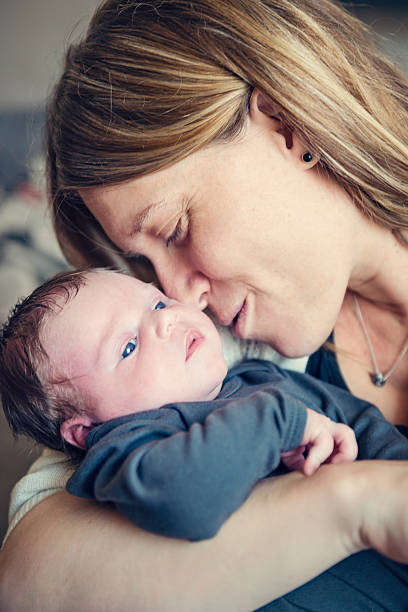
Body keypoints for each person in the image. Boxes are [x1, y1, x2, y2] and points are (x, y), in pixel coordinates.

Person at [1, 0, 408, 610]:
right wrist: (355, 506)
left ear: (287, 124)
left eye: (173, 230)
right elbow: (30, 577)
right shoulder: (209, 359)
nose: (178, 296)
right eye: (144, 268)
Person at [4, 267, 408, 544]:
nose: (165, 322)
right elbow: (185, 500)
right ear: (85, 430)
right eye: (128, 346)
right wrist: (280, 422)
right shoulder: (128, 445)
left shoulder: (260, 376)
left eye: (157, 304)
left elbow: (365, 425)